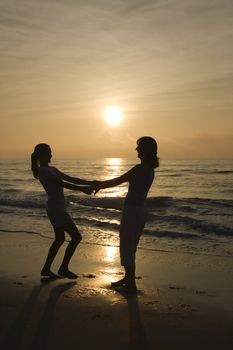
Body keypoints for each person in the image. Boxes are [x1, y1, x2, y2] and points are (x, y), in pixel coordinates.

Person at [94, 136, 159, 293]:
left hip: (132, 211)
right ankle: (128, 278)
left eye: (139, 147)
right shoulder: (149, 169)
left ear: (146, 150)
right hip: (140, 210)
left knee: (126, 245)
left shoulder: (140, 168)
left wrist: (98, 185)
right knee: (131, 245)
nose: (136, 149)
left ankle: (130, 283)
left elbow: (118, 180)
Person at [31, 143, 95, 279]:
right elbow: (63, 184)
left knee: (59, 239)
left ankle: (46, 269)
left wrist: (90, 183)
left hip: (56, 208)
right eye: (48, 153)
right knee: (76, 237)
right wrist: (83, 189)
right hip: (56, 209)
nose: (51, 155)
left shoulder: (52, 169)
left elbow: (70, 178)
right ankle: (63, 268)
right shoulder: (43, 171)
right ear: (40, 155)